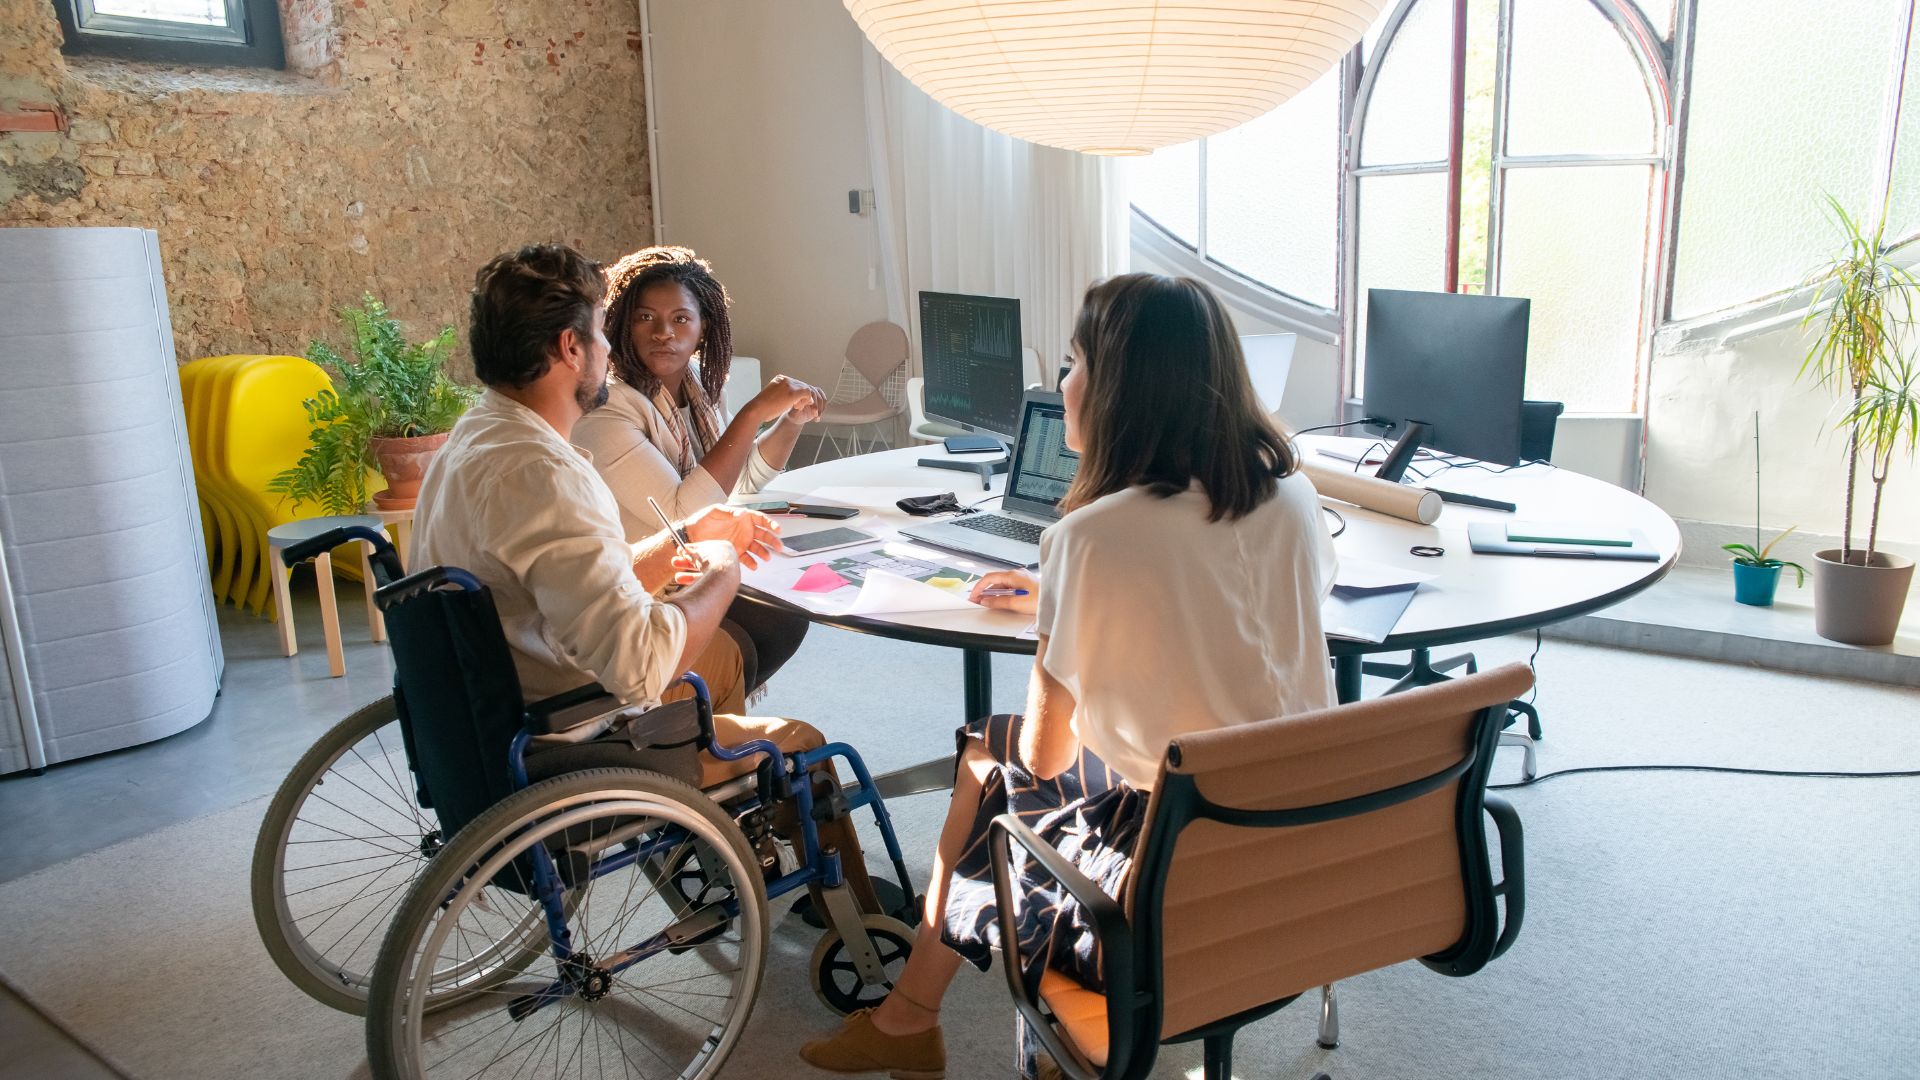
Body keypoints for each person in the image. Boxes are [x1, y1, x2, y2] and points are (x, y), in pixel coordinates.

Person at [799, 273, 1338, 1079]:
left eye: (1076, 362)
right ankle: (912, 1014)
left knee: (993, 768)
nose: (1062, 385)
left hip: (1172, 856)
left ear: (1122, 387)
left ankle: (921, 1018)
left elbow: (1049, 757)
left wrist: (1072, 611)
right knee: (988, 753)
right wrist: (1079, 603)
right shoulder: (1290, 494)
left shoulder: (1091, 537)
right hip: (1299, 829)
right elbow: (1241, 614)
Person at [412, 242, 876, 908]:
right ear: (573, 348)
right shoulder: (550, 474)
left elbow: (562, 576)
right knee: (804, 744)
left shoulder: (477, 436)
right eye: (606, 331)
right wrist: (718, 565)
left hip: (486, 706)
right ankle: (860, 932)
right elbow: (639, 665)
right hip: (575, 731)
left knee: (739, 627)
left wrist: (684, 537)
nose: (612, 349)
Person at [573, 245, 824, 696]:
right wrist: (753, 413)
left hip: (689, 567)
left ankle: (705, 715)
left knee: (785, 603)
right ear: (623, 323)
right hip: (640, 589)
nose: (664, 333)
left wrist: (789, 421)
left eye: (681, 319)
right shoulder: (607, 409)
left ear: (704, 327)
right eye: (646, 318)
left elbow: (737, 481)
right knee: (759, 619)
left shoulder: (696, 388)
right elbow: (686, 510)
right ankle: (688, 715)